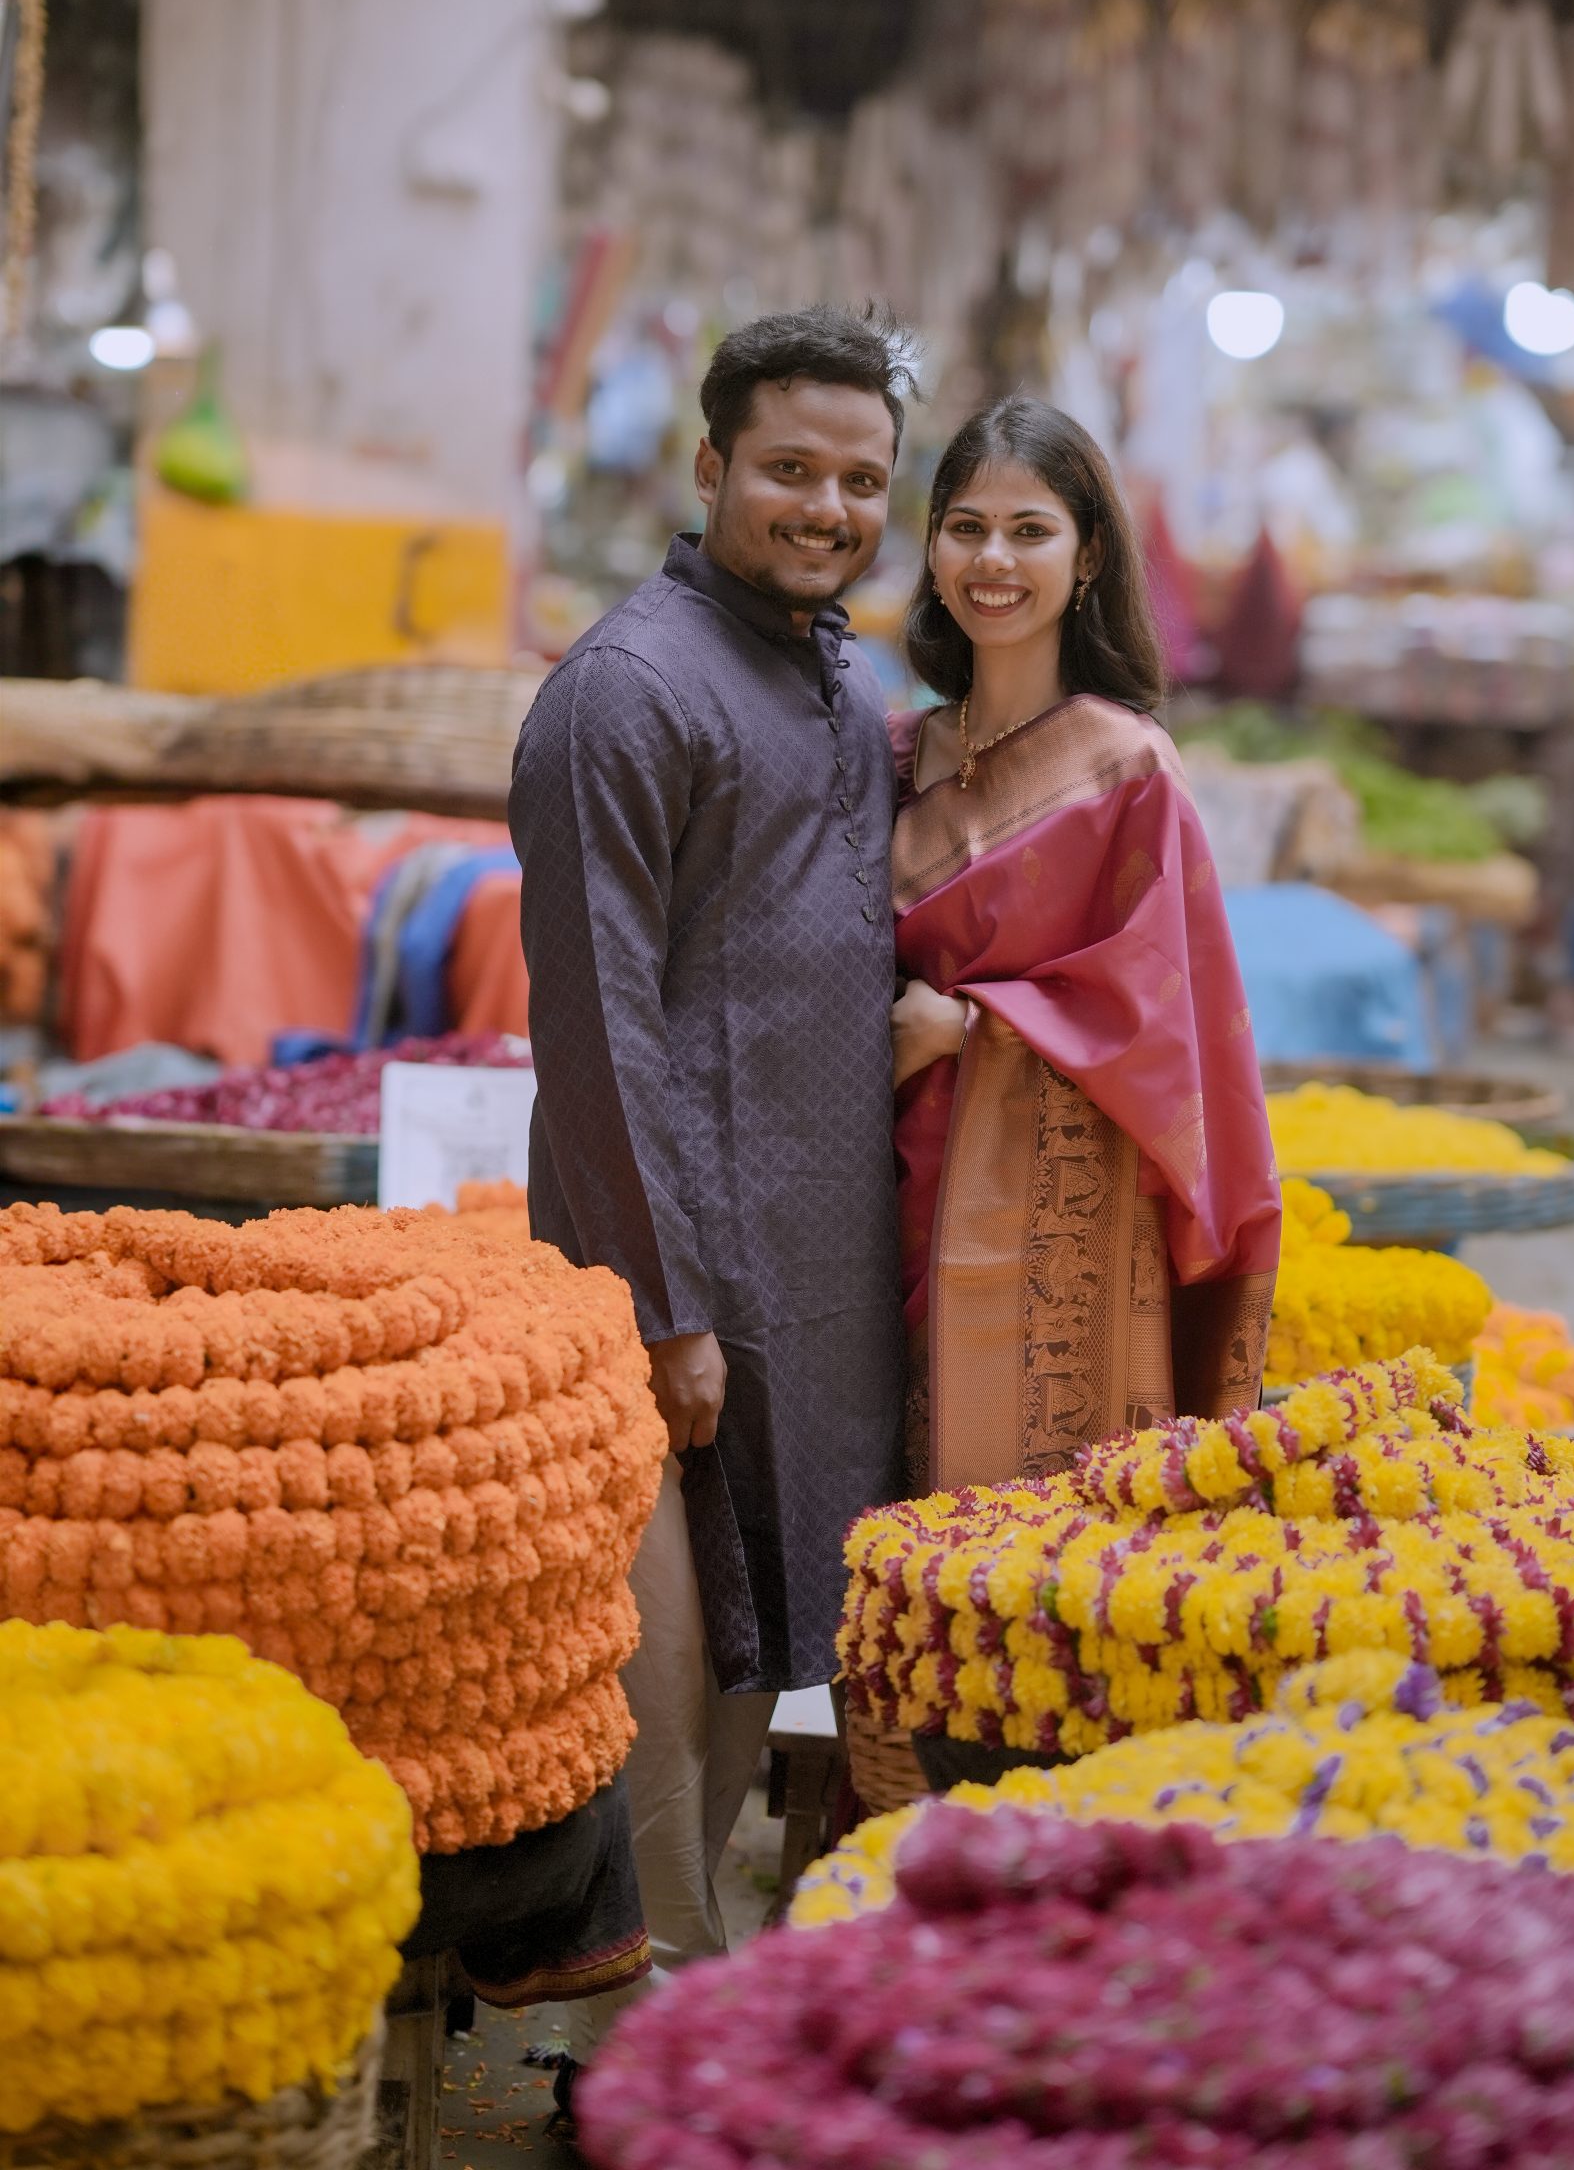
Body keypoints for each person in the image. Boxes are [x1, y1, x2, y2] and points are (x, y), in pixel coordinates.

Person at [509, 305, 912, 2059]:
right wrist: (660, 1305)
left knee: (766, 1629)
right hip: (670, 1259)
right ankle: (641, 2024)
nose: (825, 507)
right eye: (790, 471)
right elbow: (596, 1027)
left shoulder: (837, 668)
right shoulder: (625, 691)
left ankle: (707, 1994)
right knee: (657, 1657)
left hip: (815, 1255)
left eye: (859, 479)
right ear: (709, 471)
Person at [888, 395, 1280, 1495]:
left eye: (1030, 529)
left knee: (1030, 1564)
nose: (993, 560)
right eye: (965, 527)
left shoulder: (1128, 770)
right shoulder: (885, 755)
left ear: (1089, 550)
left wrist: (963, 1026)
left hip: (1056, 1235)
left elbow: (1166, 1018)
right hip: (882, 1200)